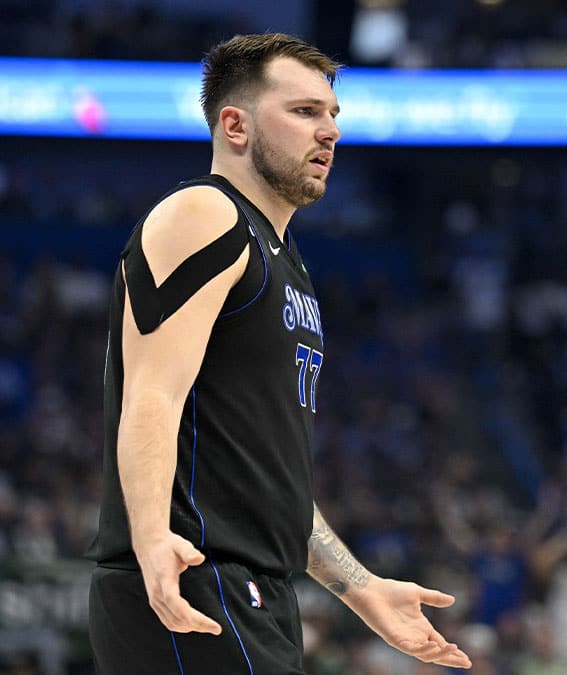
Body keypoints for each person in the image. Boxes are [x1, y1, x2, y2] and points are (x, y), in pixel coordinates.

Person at [86, 32, 471, 674]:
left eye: (332, 115)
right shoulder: (204, 212)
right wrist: (153, 539)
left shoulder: (282, 259)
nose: (329, 133)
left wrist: (359, 587)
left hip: (254, 590)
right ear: (234, 125)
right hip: (193, 578)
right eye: (303, 112)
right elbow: (152, 392)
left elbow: (266, 473)